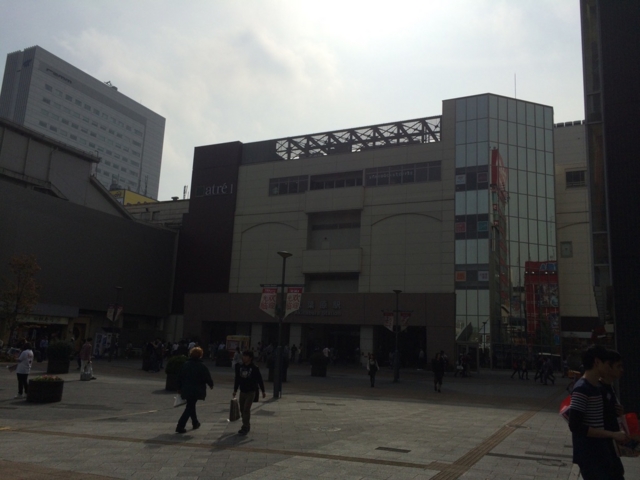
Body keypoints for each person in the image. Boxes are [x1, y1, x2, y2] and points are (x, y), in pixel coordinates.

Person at [569, 345, 628, 479]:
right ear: (597, 362)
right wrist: (612, 434)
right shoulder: (582, 389)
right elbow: (575, 426)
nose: (608, 367)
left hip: (600, 451)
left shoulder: (595, 388)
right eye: (606, 363)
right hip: (589, 455)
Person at [175, 347, 213, 434]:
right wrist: (210, 384)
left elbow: (179, 377)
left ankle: (195, 422)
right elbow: (207, 377)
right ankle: (180, 425)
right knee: (189, 407)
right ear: (200, 355)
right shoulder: (202, 366)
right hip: (197, 390)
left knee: (191, 405)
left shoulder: (185, 365)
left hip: (186, 388)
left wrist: (178, 388)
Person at [233, 350, 266, 436]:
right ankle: (246, 424)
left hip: (251, 392)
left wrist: (263, 391)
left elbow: (259, 379)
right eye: (243, 356)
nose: (243, 358)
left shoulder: (254, 368)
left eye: (246, 356)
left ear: (250, 358)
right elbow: (237, 379)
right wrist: (235, 390)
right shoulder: (240, 367)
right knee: (242, 409)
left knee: (246, 409)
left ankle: (245, 426)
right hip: (242, 391)